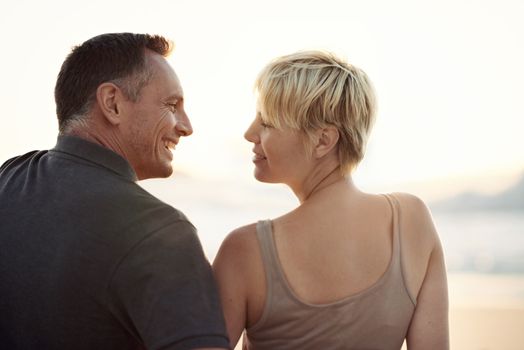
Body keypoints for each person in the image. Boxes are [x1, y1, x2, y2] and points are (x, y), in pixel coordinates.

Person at [0, 33, 229, 350]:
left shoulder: (8, 178)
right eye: (171, 105)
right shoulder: (161, 233)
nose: (186, 126)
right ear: (112, 103)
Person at [213, 51, 449, 349]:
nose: (250, 133)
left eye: (267, 122)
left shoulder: (246, 251)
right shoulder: (411, 220)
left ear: (323, 140)